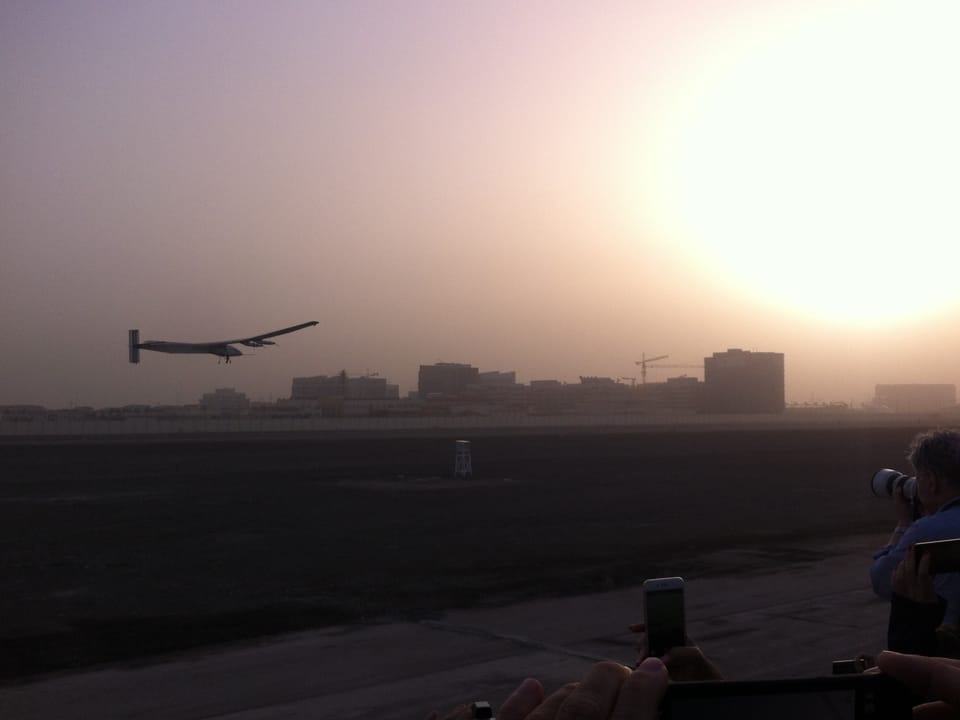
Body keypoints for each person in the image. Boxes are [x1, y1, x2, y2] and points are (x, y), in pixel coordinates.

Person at [871, 429, 960, 630]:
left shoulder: (927, 531)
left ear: (931, 481)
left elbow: (882, 581)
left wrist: (904, 525)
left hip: (945, 651)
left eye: (918, 478)